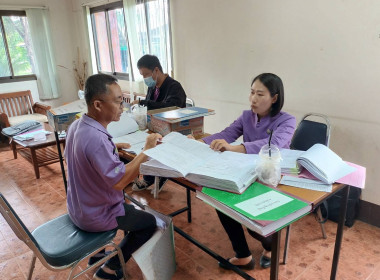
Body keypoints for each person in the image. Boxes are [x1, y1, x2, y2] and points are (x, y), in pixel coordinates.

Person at [64, 73, 162, 280]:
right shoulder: (97, 139)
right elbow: (119, 182)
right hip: (96, 214)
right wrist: (146, 150)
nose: (122, 107)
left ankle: (96, 256)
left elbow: (80, 155)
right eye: (118, 101)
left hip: (78, 206)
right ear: (98, 105)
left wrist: (111, 148)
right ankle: (109, 269)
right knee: (148, 224)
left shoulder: (77, 126)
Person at [196, 73, 296, 270]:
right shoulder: (246, 116)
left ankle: (270, 248)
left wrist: (233, 147)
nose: (253, 99)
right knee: (221, 200)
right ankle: (243, 255)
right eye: (251, 93)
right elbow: (227, 134)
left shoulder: (287, 120)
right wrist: (200, 142)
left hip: (274, 176)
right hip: (247, 172)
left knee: (257, 226)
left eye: (260, 94)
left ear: (274, 98)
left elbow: (272, 144)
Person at [131, 54, 187, 192]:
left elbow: (169, 108)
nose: (145, 79)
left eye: (146, 74)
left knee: (152, 146)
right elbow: (150, 107)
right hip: (155, 127)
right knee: (134, 145)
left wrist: (143, 102)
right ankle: (131, 173)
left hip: (172, 131)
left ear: (156, 70)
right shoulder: (153, 86)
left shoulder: (174, 87)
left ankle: (152, 177)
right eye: (142, 75)